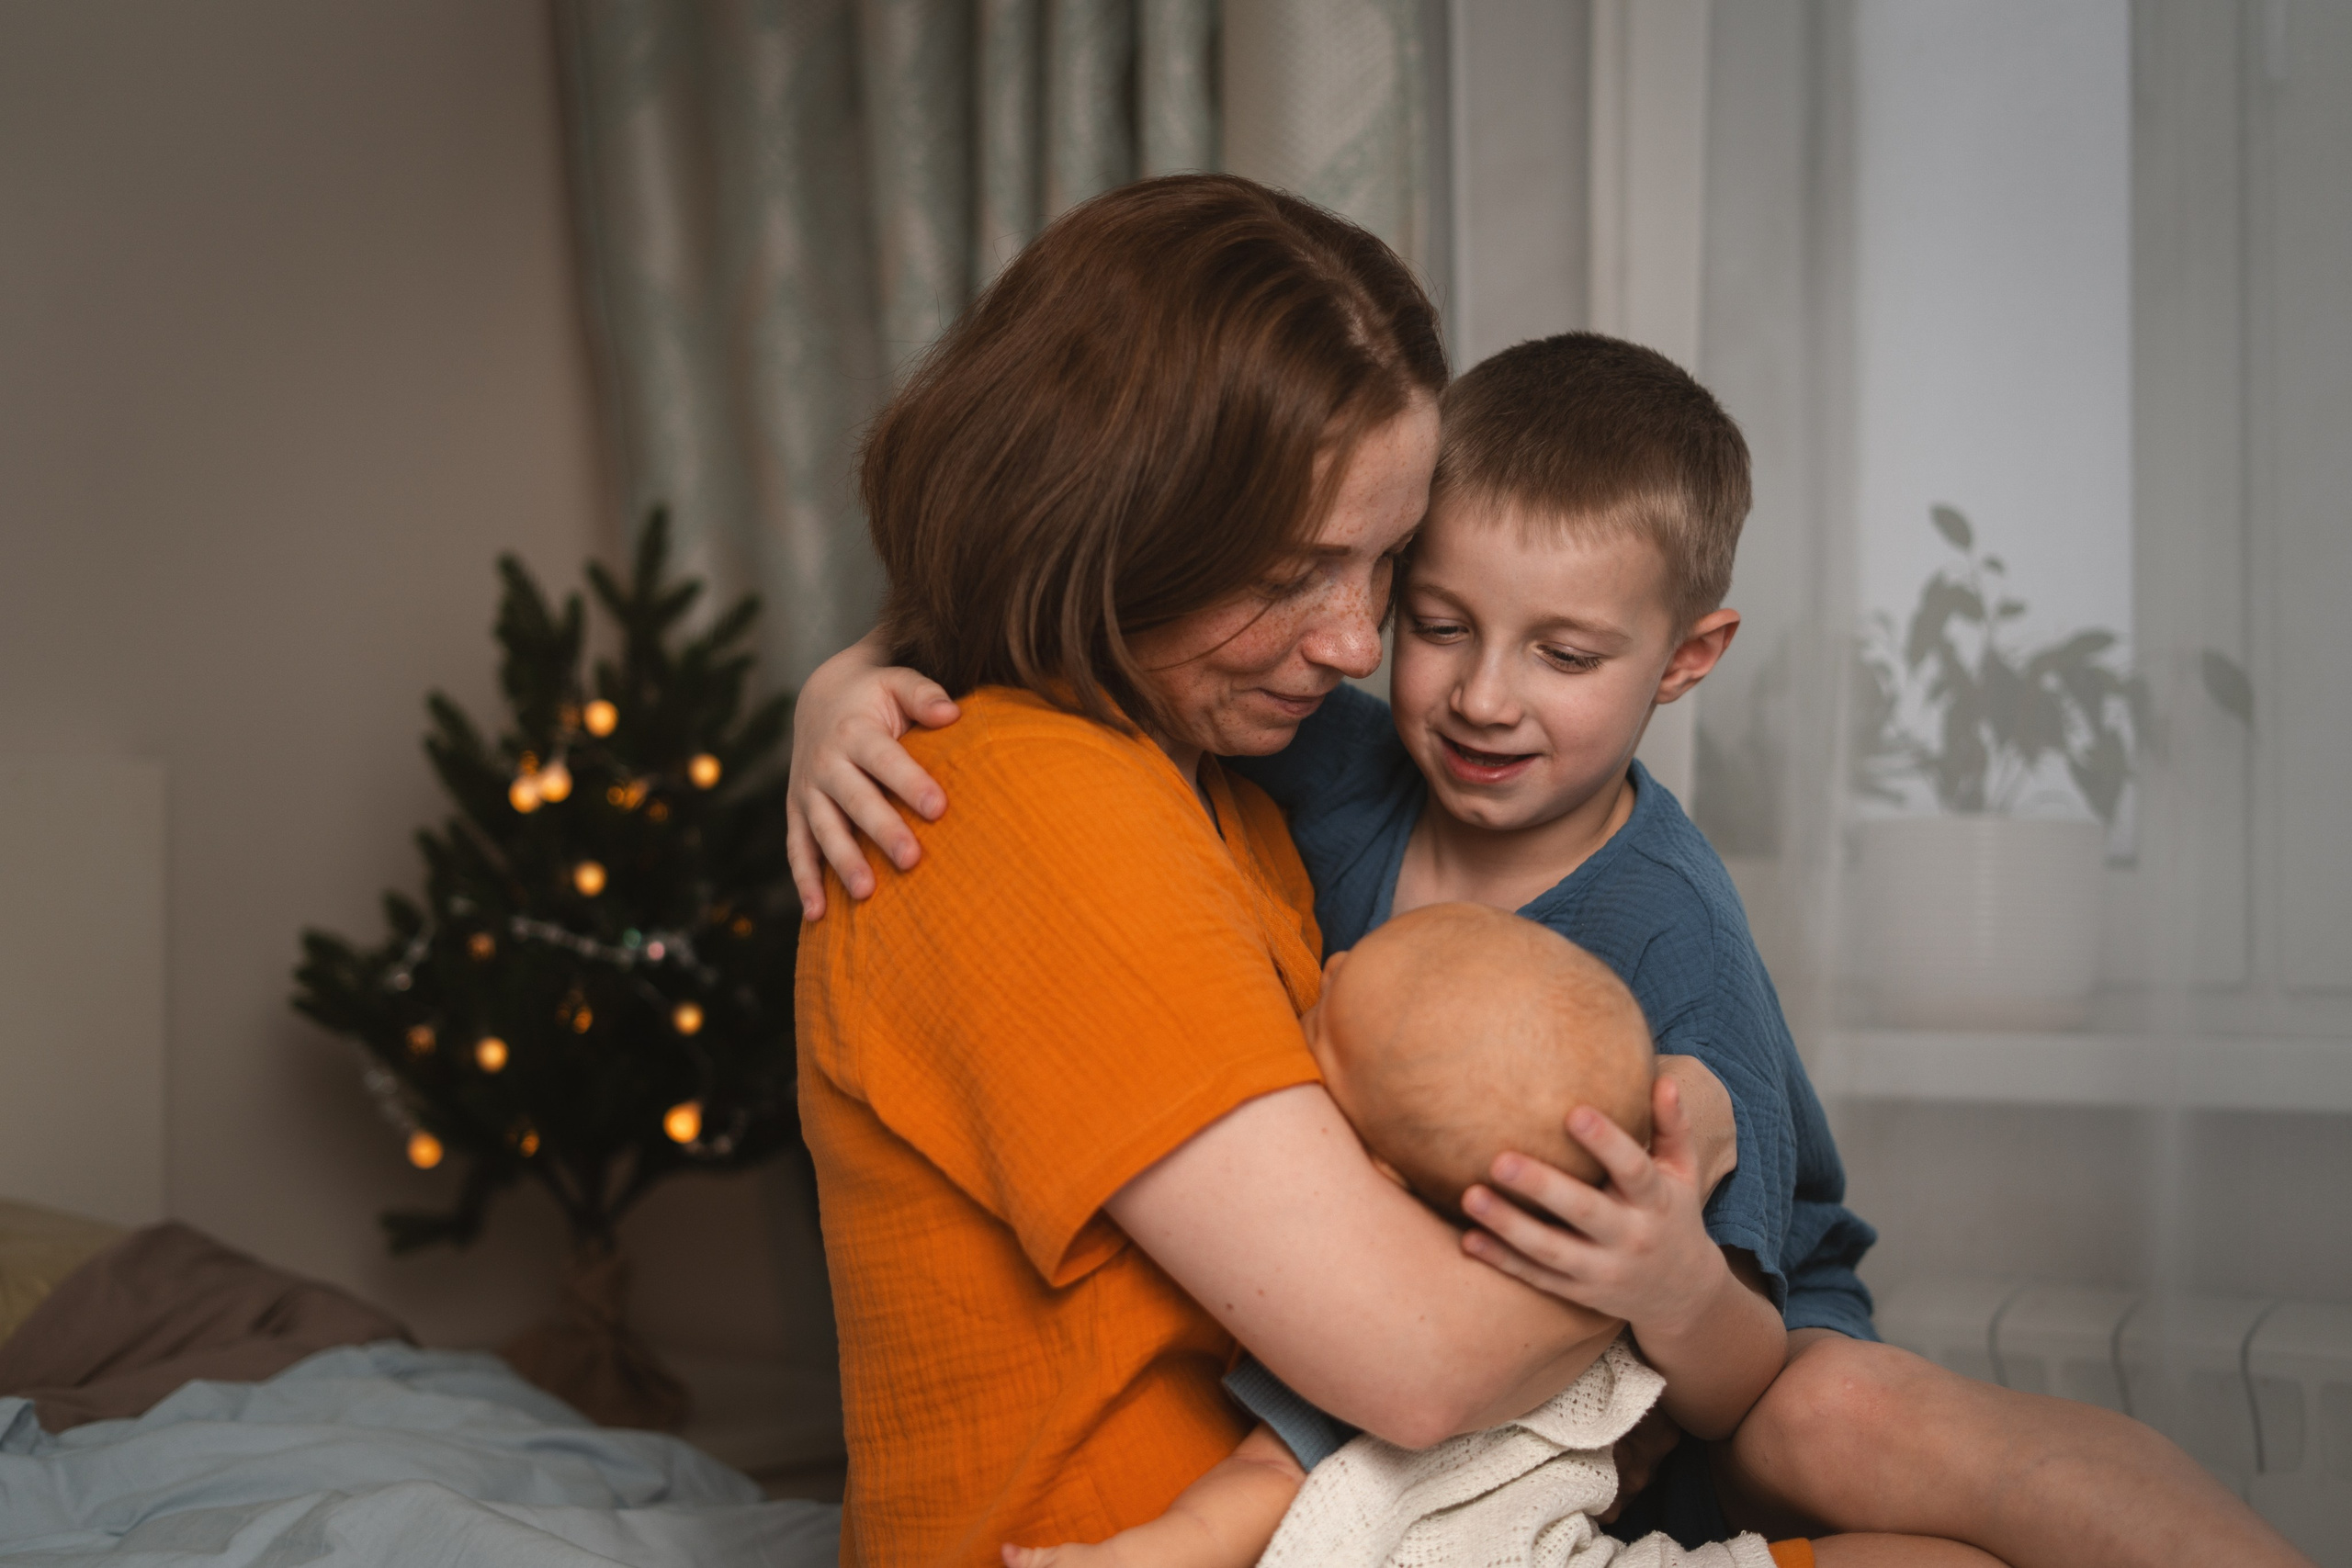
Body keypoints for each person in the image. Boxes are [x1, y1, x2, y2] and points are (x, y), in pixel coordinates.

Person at [789, 330, 2312, 1568]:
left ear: (1687, 659)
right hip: (1476, 1420)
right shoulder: (1324, 761)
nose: (1483, 699)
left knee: (1840, 1417)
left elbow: (1728, 1368)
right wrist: (850, 684)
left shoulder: (1668, 931)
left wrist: (1664, 1283)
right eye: (1436, 623)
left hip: (1715, 1365)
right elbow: (1063, 618)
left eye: (1567, 655)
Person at [794, 174, 1630, 1568]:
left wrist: (848, 665)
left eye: (1382, 565)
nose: (1358, 644)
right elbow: (1418, 1359)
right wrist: (1669, 1270)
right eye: (1296, 572)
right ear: (1112, 521)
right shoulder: (1021, 798)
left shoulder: (1223, 791)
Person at [1007, 903, 1858, 1568]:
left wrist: (1130, 1554)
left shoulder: (1379, 1309)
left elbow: (1260, 1487)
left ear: (1375, 1172)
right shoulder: (1584, 1296)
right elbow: (1716, 1394)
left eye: (1323, 1020)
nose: (1327, 965)